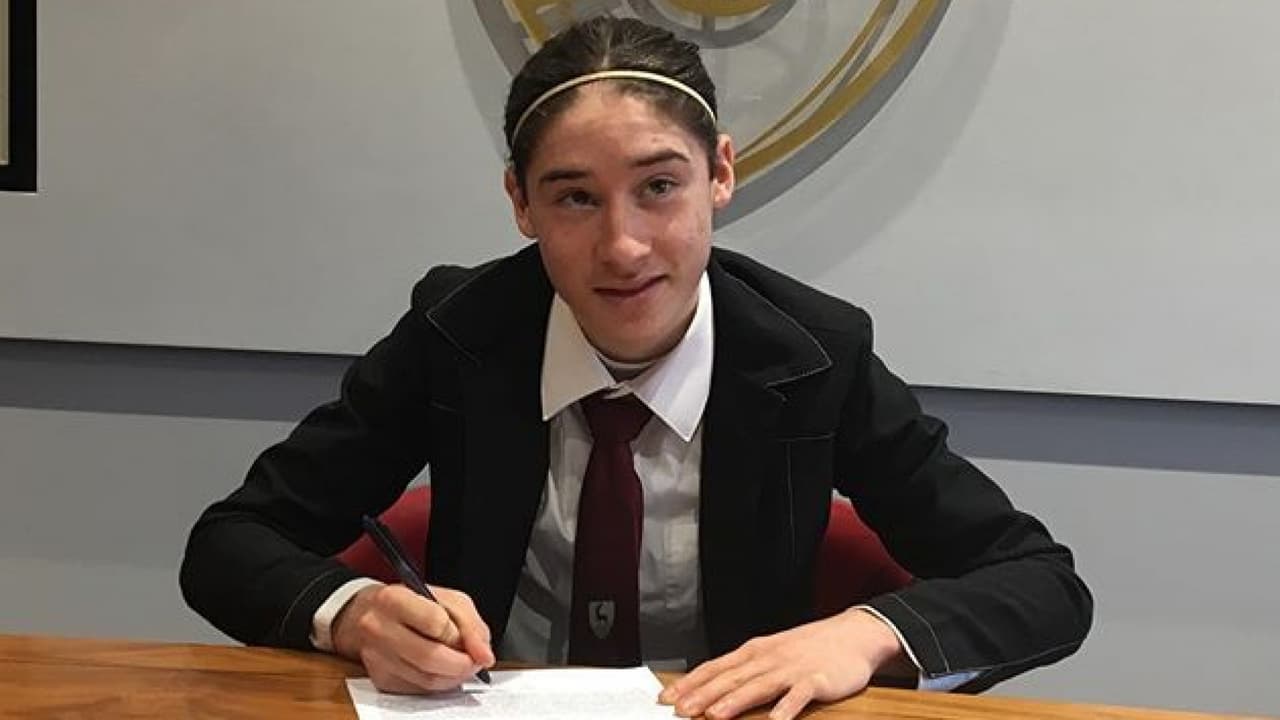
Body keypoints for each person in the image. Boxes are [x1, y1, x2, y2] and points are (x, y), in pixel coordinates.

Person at [180, 15, 1092, 720]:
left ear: (720, 174)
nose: (623, 247)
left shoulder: (815, 356)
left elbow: (1041, 581)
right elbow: (230, 540)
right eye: (575, 198)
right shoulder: (459, 335)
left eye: (659, 186)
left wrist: (859, 636)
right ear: (520, 203)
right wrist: (353, 612)